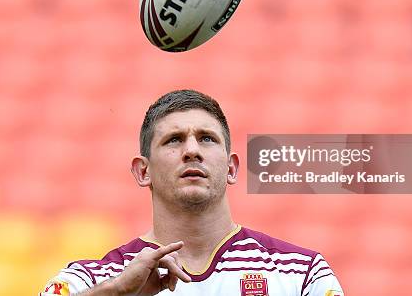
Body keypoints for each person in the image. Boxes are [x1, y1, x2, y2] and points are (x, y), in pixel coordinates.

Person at [40, 90, 344, 296]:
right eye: (174, 140)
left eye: (207, 138)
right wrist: (117, 292)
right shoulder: (94, 278)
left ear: (232, 168)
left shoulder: (301, 273)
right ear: (143, 171)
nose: (192, 151)